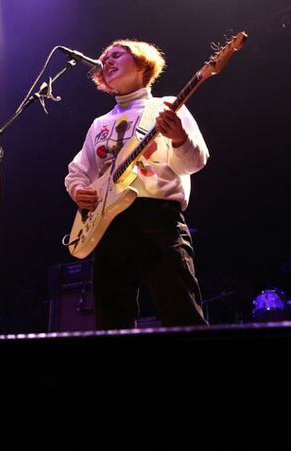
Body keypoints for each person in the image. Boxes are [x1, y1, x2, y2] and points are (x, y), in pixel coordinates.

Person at [65, 39, 208, 330]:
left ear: (142, 64)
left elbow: (194, 162)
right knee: (112, 320)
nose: (107, 61)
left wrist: (179, 137)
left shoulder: (166, 106)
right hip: (109, 224)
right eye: (104, 59)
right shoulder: (99, 124)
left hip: (158, 219)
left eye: (117, 55)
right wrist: (78, 191)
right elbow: (78, 171)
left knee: (181, 311)